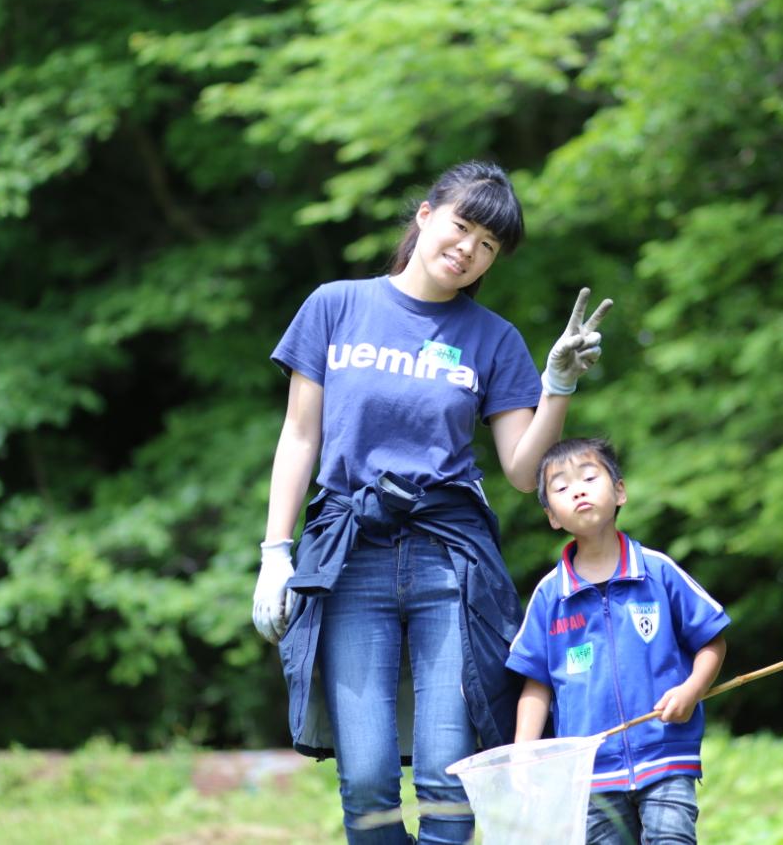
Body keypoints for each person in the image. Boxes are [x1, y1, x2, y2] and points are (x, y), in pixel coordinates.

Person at [250, 160, 612, 845]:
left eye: (487, 246)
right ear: (425, 215)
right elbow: (299, 437)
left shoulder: (493, 338)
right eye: (462, 226)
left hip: (450, 561)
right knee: (366, 777)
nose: (468, 250)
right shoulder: (336, 305)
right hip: (349, 553)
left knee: (451, 775)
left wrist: (556, 384)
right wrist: (275, 553)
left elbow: (520, 470)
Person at [507, 437, 729, 845]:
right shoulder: (549, 595)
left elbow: (712, 641)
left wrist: (692, 690)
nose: (577, 489)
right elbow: (535, 682)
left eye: (589, 477)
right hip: (589, 774)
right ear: (551, 516)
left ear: (620, 491)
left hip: (666, 757)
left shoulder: (657, 572)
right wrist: (525, 755)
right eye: (560, 487)